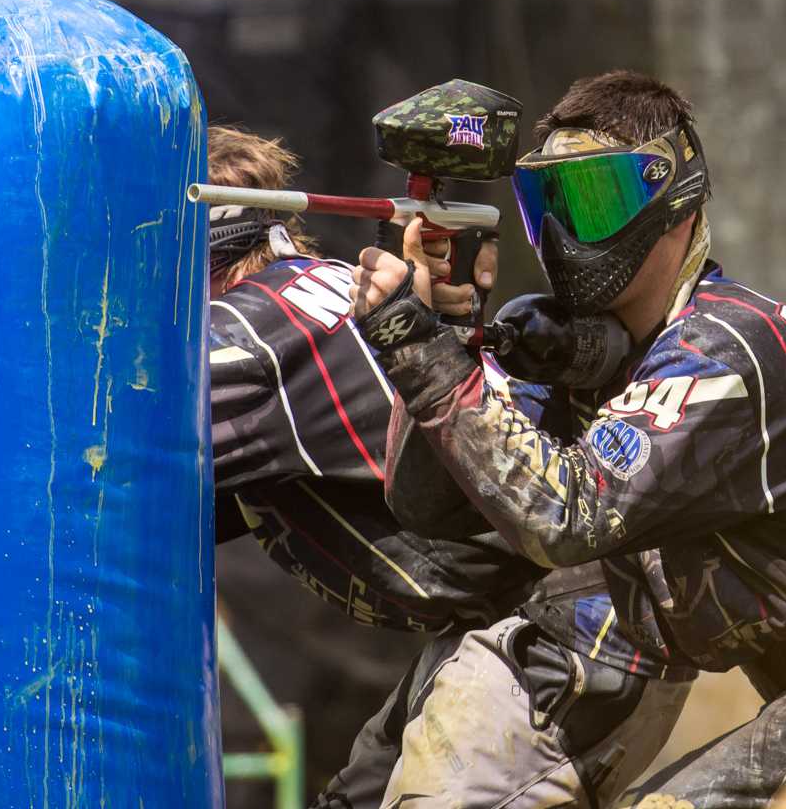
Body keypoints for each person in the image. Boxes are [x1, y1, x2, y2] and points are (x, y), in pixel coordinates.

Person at [350, 71, 786, 806]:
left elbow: (563, 518)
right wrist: (449, 327)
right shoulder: (584, 354)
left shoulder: (731, 346)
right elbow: (430, 507)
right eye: (551, 207)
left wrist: (421, 349)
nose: (568, 237)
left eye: (596, 203)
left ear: (675, 201)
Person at [203, 119, 692, 808]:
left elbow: (84, 452)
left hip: (573, 634)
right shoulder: (318, 292)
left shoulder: (252, 330)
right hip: (520, 620)